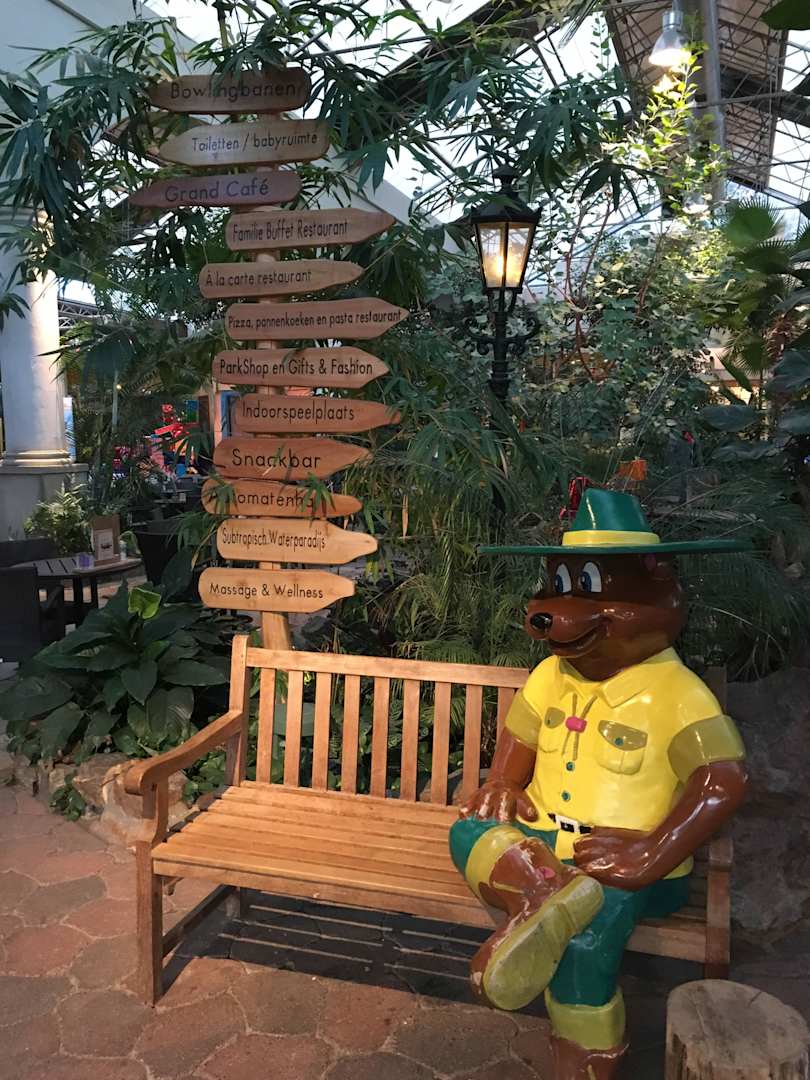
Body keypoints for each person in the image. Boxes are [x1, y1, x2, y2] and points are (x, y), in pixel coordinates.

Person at [449, 489, 749, 1078]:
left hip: (625, 861)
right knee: (469, 829)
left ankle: (582, 1062)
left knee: (582, 949)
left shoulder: (679, 694)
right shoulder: (549, 675)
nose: (553, 611)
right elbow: (519, 737)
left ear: (658, 588)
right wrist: (503, 782)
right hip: (544, 845)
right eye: (557, 585)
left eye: (587, 586)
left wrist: (651, 852)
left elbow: (722, 780)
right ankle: (540, 899)